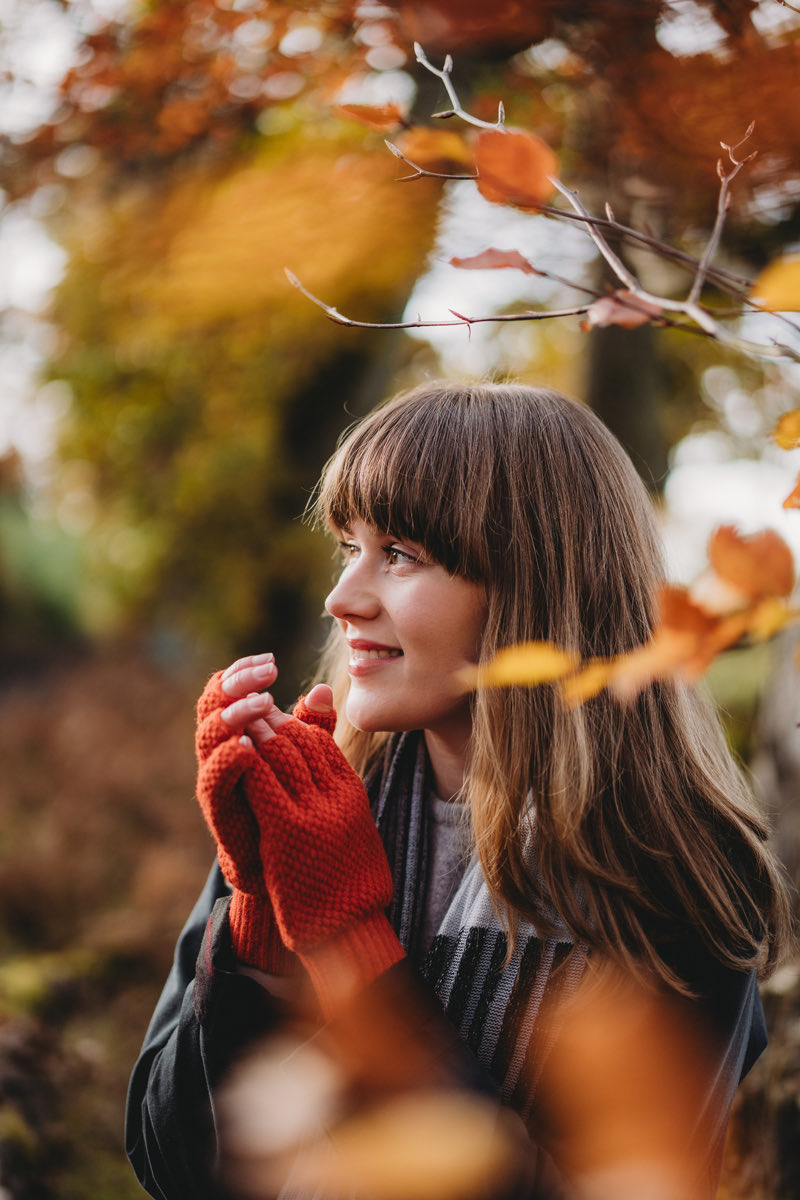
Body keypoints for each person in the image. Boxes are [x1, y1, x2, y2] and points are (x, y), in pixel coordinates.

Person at [126, 382, 792, 1200]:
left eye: (399, 553)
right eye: (349, 547)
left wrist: (346, 944)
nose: (344, 598)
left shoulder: (676, 871)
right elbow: (174, 1170)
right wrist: (256, 920)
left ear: (533, 586)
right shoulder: (319, 806)